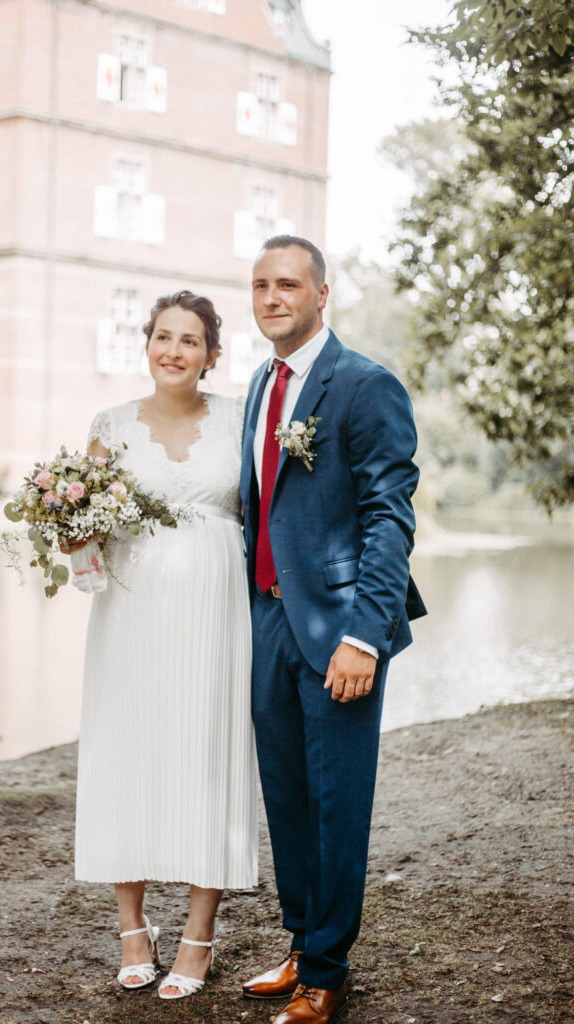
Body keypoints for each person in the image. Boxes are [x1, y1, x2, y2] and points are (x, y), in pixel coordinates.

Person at [240, 236, 426, 1024]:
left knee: (336, 803)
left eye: (288, 284)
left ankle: (327, 973)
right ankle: (300, 943)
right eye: (261, 285)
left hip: (340, 630)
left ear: (321, 294)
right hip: (268, 618)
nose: (272, 298)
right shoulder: (261, 383)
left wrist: (364, 635)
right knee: (286, 795)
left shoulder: (365, 385)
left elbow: (390, 519)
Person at [75, 290, 258, 1000]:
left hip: (216, 612)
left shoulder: (241, 419)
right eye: (163, 336)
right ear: (146, 344)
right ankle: (132, 928)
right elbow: (84, 526)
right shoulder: (111, 425)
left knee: (208, 752)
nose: (173, 350)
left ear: (212, 355)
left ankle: (198, 935)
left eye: (190, 340)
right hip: (131, 611)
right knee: (131, 751)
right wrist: (71, 535)